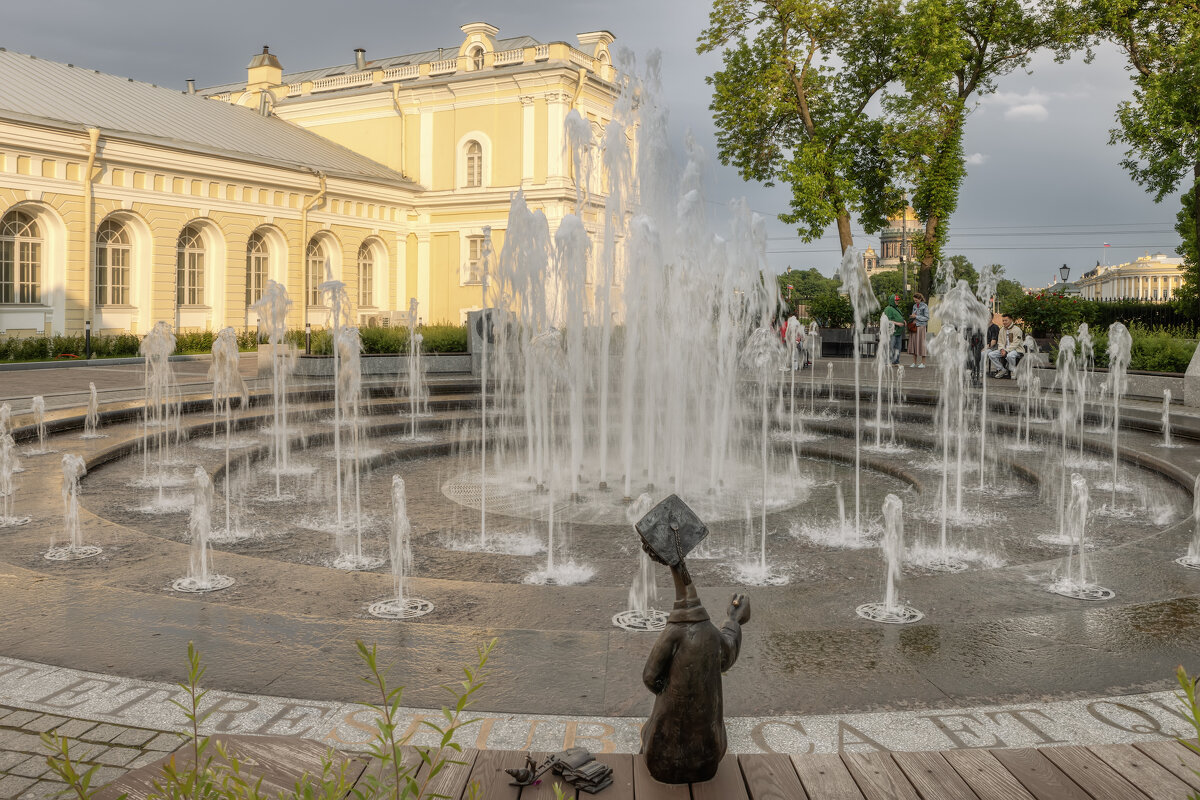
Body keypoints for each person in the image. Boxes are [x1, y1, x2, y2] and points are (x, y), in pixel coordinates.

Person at [988, 313, 1024, 378]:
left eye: (1006, 320)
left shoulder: (1017, 330)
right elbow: (1000, 342)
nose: (1004, 322)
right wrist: (1002, 349)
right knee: (991, 354)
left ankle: (1013, 370)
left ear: (1011, 320)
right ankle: (1002, 369)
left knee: (1010, 355)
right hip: (1004, 349)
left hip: (1016, 350)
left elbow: (1016, 343)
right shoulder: (1002, 330)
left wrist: (1006, 350)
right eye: (1003, 321)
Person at [908, 292, 929, 368]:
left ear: (920, 299)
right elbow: (913, 315)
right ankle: (914, 362)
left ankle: (923, 363)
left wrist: (916, 317)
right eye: (914, 300)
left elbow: (926, 318)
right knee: (914, 344)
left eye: (916, 300)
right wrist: (912, 316)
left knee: (921, 344)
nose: (915, 301)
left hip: (921, 327)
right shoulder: (914, 306)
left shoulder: (925, 306)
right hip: (914, 326)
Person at [883, 294, 905, 364]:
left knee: (898, 348)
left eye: (898, 300)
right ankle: (888, 361)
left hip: (898, 332)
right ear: (892, 300)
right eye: (896, 300)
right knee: (891, 347)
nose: (898, 301)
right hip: (892, 332)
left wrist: (903, 320)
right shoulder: (888, 309)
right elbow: (887, 321)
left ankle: (895, 361)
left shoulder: (896, 308)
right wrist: (897, 323)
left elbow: (898, 317)